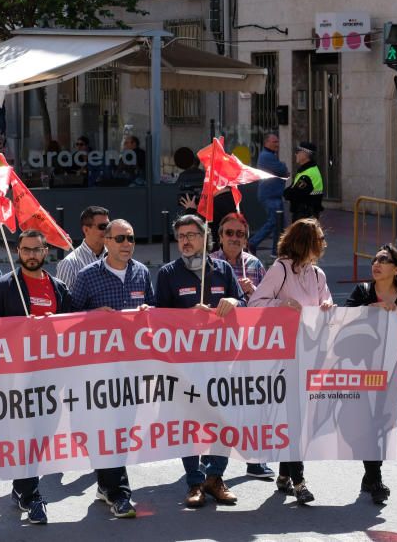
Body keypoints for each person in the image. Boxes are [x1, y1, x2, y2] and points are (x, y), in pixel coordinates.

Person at [0, 229, 72, 525]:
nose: (31, 254)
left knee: (42, 438)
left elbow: (75, 328)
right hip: (17, 381)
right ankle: (33, 497)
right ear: (18, 251)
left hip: (52, 380)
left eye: (37, 249)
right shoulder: (3, 288)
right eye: (26, 249)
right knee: (24, 438)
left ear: (46, 251)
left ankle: (21, 488)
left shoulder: (58, 288)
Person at [155, 213, 243, 508]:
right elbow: (159, 320)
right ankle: (194, 482)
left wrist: (235, 302)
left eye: (192, 235)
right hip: (185, 366)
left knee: (223, 421)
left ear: (205, 238)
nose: (186, 241)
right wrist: (186, 316)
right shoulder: (167, 273)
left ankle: (215, 477)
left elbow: (244, 304)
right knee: (189, 424)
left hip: (221, 364)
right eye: (181, 236)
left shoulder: (223, 270)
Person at [247, 218, 334, 505]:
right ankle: (299, 481)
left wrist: (326, 307)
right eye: (318, 239)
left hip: (310, 355)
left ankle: (284, 475)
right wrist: (280, 305)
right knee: (293, 418)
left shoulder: (318, 274)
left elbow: (328, 304)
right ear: (304, 242)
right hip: (283, 357)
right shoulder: (281, 268)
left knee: (299, 418)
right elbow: (255, 303)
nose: (322, 244)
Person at [70, 219, 153, 518]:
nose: (127, 243)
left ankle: (106, 485)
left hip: (131, 367)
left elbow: (153, 312)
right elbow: (69, 317)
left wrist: (148, 313)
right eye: (120, 238)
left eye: (131, 238)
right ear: (105, 241)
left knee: (124, 429)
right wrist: (92, 315)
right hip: (98, 369)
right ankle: (118, 493)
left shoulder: (142, 273)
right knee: (107, 429)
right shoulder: (87, 276)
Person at [345, 244, 397, 505]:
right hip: (361, 369)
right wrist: (376, 310)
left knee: (378, 422)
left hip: (392, 371)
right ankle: (375, 478)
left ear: (396, 269)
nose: (376, 263)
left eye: (384, 260)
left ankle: (370, 477)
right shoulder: (363, 291)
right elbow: (344, 318)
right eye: (375, 259)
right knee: (370, 423)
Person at [207, 212, 273, 480]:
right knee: (218, 407)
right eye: (229, 233)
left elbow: (268, 305)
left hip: (248, 346)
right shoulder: (208, 265)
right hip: (215, 348)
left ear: (247, 239)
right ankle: (211, 469)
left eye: (240, 234)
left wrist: (251, 292)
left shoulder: (255, 265)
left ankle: (255, 460)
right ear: (220, 236)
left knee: (252, 403)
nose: (234, 238)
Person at [249, 133, 289, 256]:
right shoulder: (266, 156)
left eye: (277, 141)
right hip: (270, 195)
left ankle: (276, 251)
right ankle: (252, 243)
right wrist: (283, 167)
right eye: (274, 142)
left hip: (274, 194)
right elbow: (282, 169)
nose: (277, 144)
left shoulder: (270, 155)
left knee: (280, 223)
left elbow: (282, 170)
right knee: (274, 222)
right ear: (266, 143)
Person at [55, 206, 108, 289]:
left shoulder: (114, 256)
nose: (107, 231)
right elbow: (62, 299)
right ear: (86, 230)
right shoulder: (69, 264)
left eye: (109, 226)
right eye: (102, 227)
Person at [284, 142, 324, 221]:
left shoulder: (307, 174)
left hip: (305, 215)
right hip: (307, 214)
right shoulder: (307, 171)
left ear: (305, 154)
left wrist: (286, 192)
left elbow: (292, 194)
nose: (295, 154)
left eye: (298, 152)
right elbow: (292, 188)